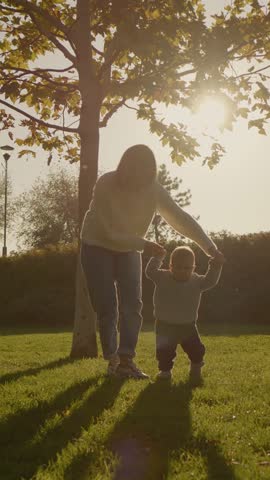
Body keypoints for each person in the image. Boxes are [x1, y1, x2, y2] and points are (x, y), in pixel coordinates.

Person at [80, 144, 223, 379]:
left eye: (145, 170)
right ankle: (113, 360)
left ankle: (126, 361)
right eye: (133, 168)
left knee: (132, 305)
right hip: (97, 245)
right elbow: (108, 232)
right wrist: (144, 244)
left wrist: (210, 248)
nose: (138, 175)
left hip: (130, 248)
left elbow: (179, 218)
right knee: (107, 306)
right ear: (124, 166)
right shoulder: (106, 183)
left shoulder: (153, 190)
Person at [145, 245, 224, 382]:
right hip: (164, 324)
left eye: (187, 268)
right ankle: (165, 372)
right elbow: (150, 272)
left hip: (187, 325)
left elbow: (211, 281)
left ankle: (196, 367)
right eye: (178, 267)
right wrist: (157, 257)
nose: (182, 271)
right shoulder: (162, 277)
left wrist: (216, 265)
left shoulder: (197, 281)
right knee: (164, 351)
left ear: (193, 268)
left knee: (196, 350)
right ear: (171, 266)